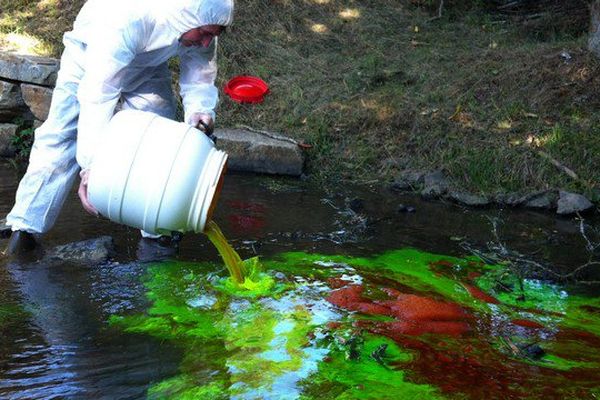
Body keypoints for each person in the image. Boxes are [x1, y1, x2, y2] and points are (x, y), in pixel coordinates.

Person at [5, 0, 235, 255]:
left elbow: (199, 73)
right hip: (89, 57)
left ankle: (159, 231)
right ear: (187, 17)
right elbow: (98, 96)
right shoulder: (129, 19)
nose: (206, 42)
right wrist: (91, 167)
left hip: (147, 68)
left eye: (212, 36)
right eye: (204, 34)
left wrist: (200, 111)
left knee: (159, 140)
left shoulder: (200, 23)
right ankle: (25, 228)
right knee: (62, 135)